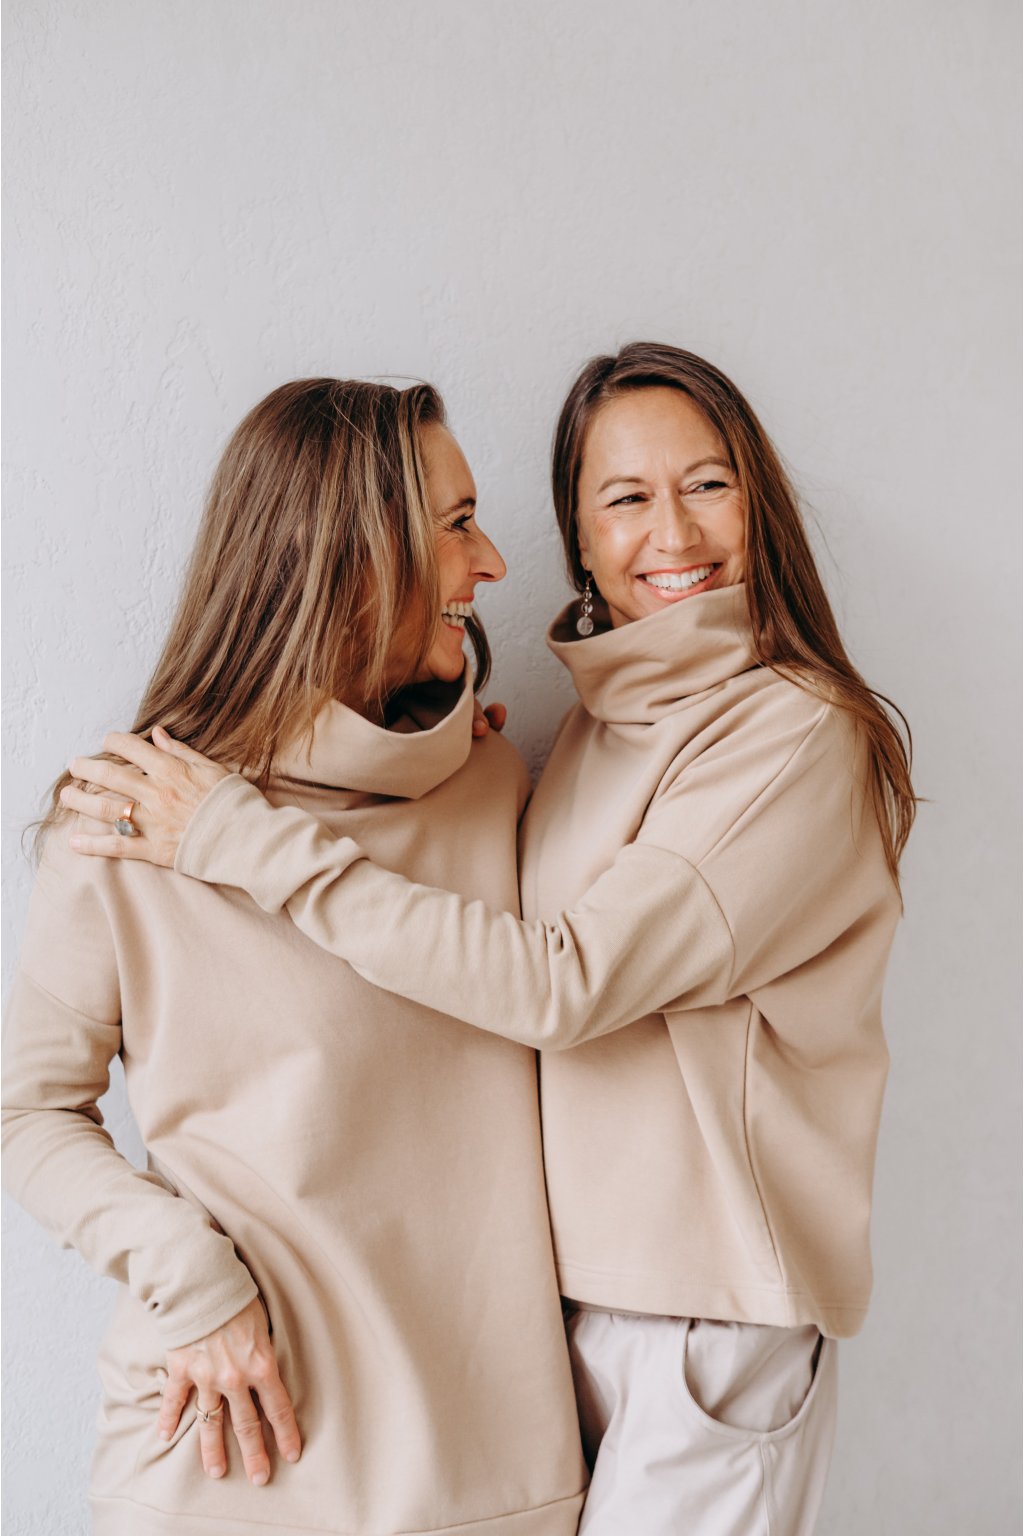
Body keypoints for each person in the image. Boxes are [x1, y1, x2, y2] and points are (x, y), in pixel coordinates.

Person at [64, 343, 916, 1536]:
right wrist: (417, 761)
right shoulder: (573, 739)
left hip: (706, 1319)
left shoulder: (790, 735)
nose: (672, 531)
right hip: (559, 1326)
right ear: (583, 542)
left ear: (758, 503)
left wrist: (246, 837)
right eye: (624, 497)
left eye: (708, 484)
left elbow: (562, 981)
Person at [2, 377, 587, 1536]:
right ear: (348, 558)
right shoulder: (125, 820)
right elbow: (25, 1113)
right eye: (457, 524)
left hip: (487, 1473)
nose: (493, 564)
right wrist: (187, 1275)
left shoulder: (492, 785)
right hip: (225, 1449)